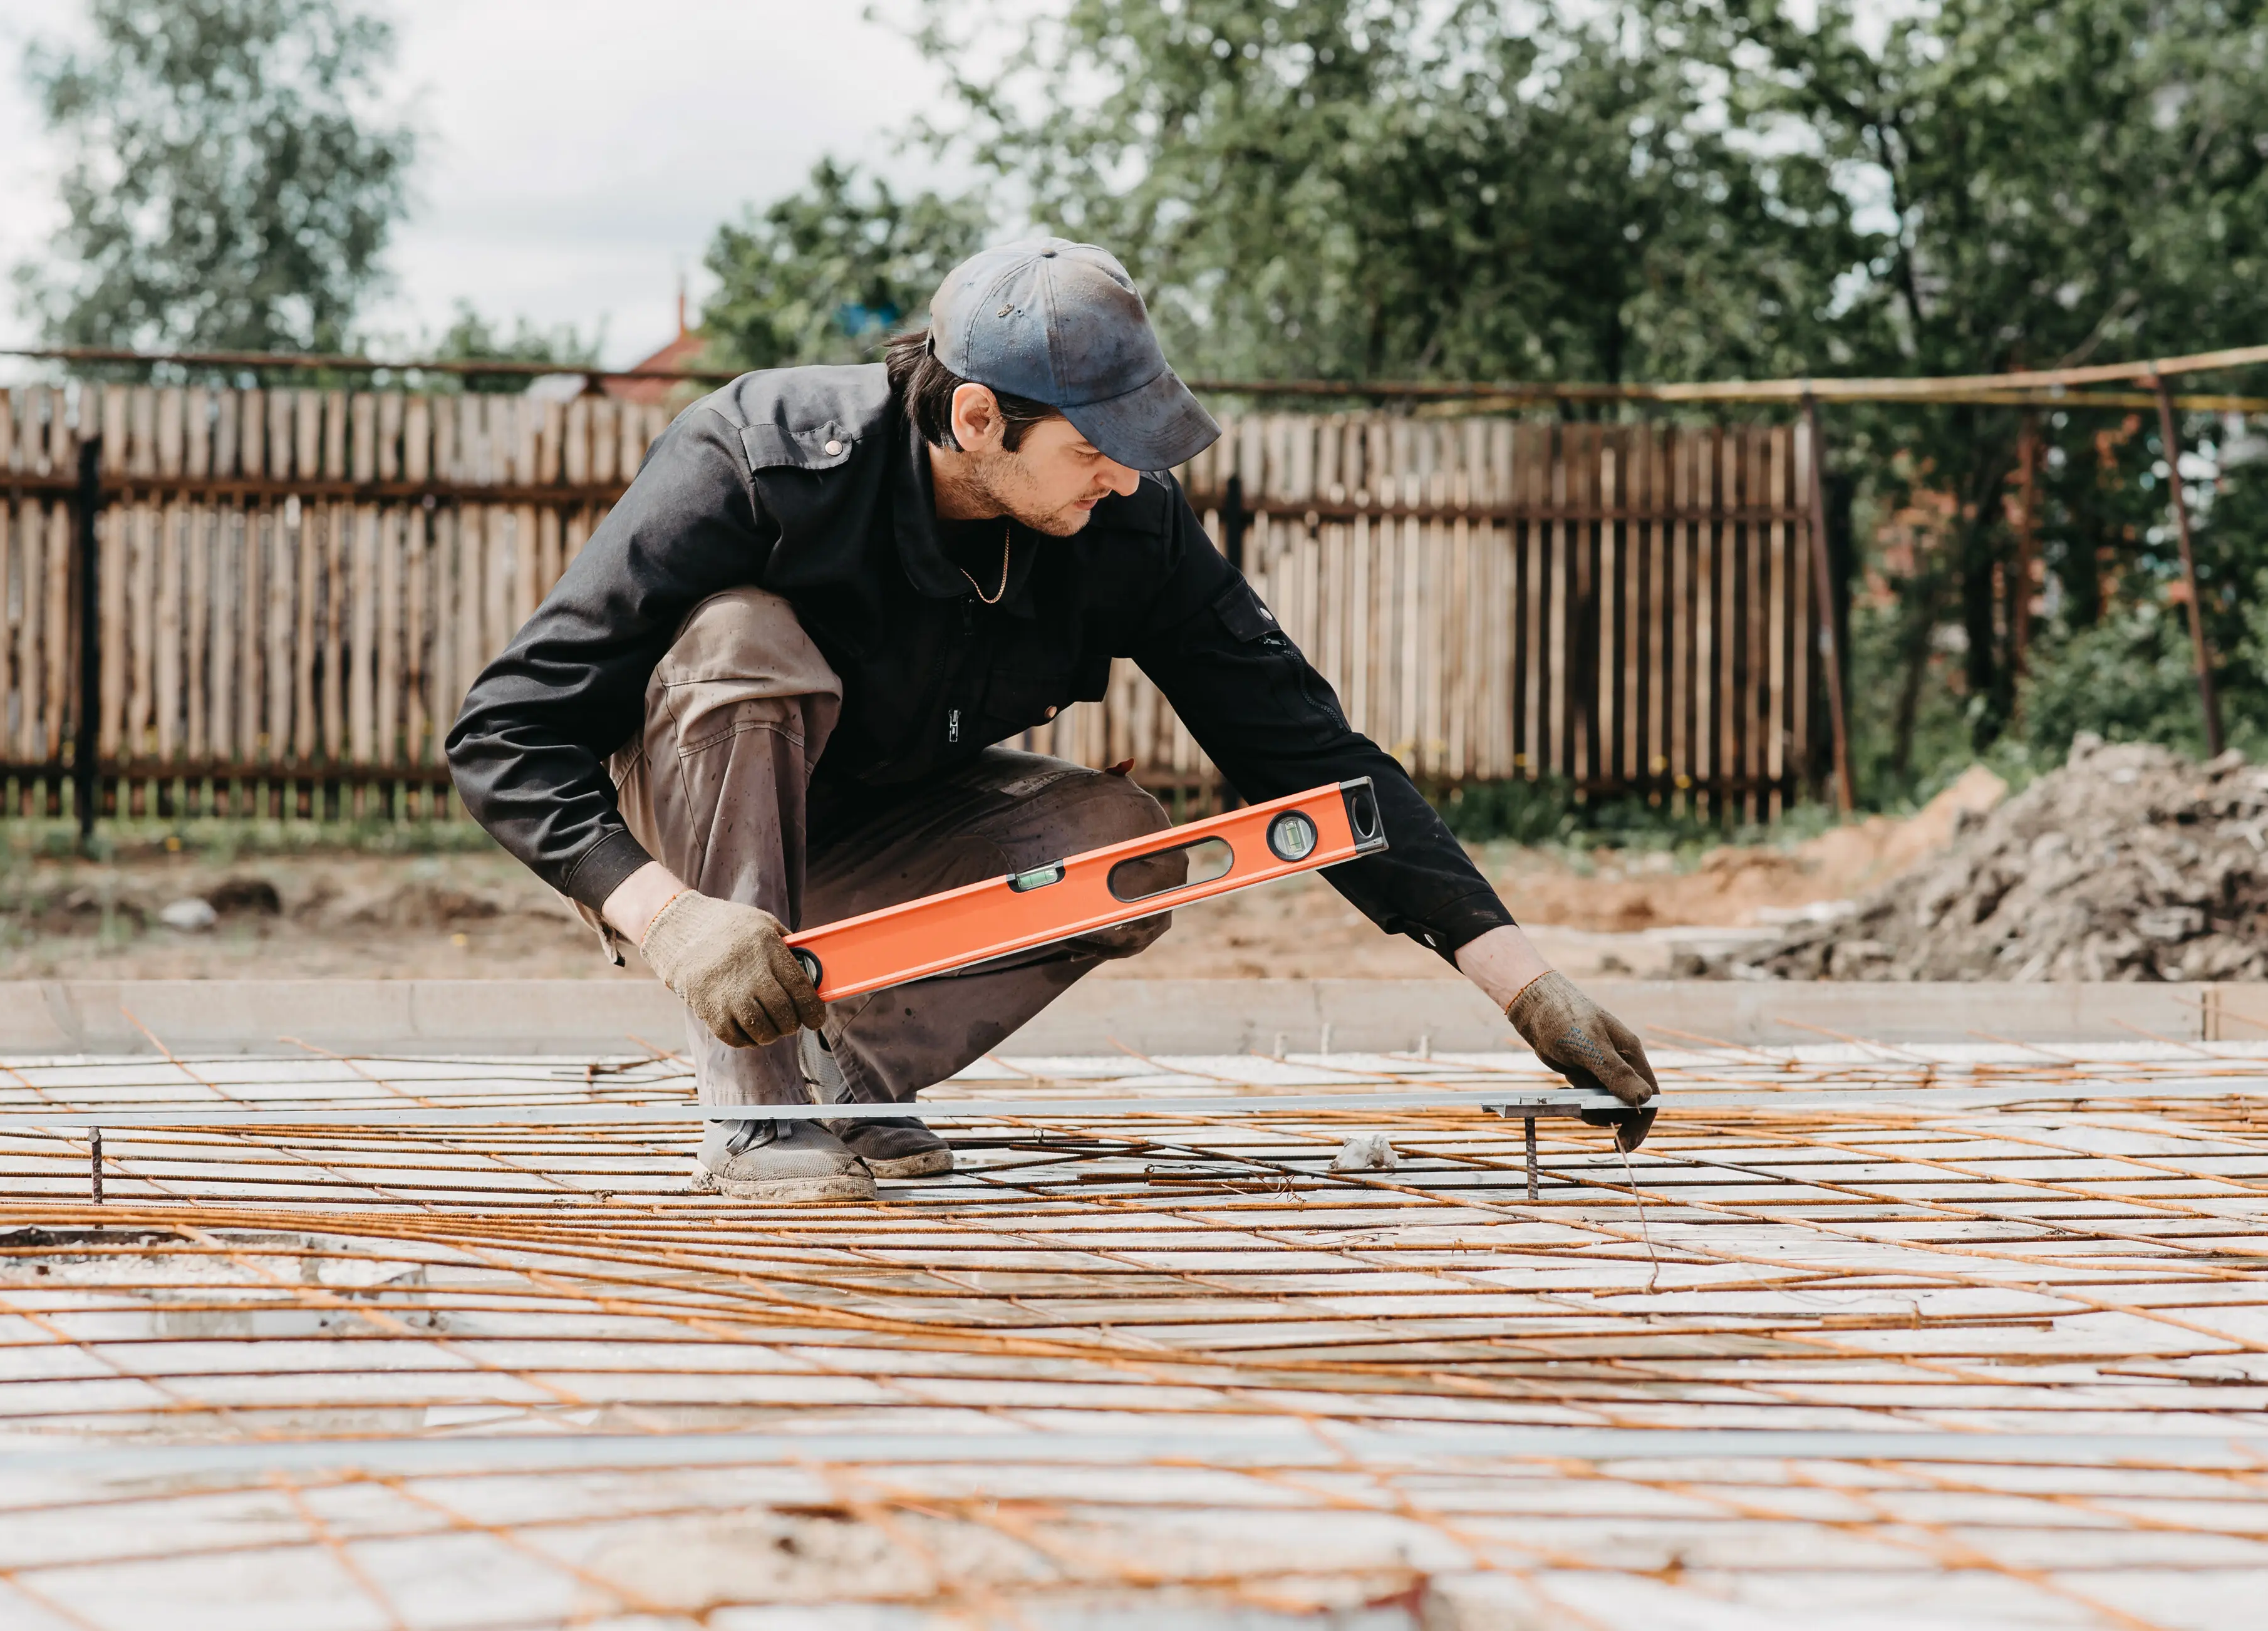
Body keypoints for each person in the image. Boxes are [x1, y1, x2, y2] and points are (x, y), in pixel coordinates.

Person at [447, 239, 1659, 1201]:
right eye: (1094, 449)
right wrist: (668, 919)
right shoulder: (754, 464)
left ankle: (846, 1082)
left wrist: (1522, 981)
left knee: (1118, 831)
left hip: (890, 843)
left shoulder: (1128, 525)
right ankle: (757, 1112)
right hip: (708, 858)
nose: (1124, 479)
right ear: (978, 418)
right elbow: (505, 731)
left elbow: (1308, 752)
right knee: (742, 641)